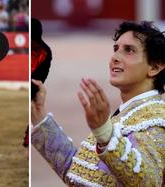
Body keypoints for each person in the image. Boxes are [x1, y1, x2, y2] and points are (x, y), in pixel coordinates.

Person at [31, 21, 165, 186]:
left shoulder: (158, 120)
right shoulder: (126, 115)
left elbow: (149, 181)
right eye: (116, 49)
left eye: (129, 50)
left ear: (155, 67)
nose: (115, 57)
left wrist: (104, 132)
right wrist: (40, 117)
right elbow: (78, 174)